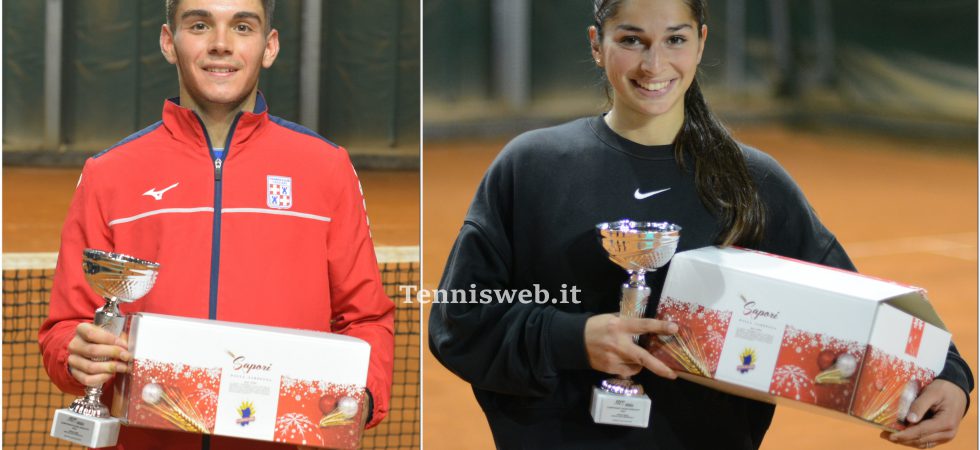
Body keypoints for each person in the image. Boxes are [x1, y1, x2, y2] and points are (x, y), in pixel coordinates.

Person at [427, 0, 973, 448]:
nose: (654, 64)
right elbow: (459, 325)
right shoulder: (531, 167)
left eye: (675, 39)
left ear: (702, 42)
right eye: (632, 39)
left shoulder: (753, 180)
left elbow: (855, 301)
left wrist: (949, 375)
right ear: (597, 44)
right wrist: (575, 338)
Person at [38, 0, 395, 449]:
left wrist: (363, 396)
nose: (221, 45)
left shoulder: (327, 168)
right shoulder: (109, 173)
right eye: (200, 24)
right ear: (170, 42)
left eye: (242, 26)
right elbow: (66, 325)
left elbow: (367, 317)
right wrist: (76, 356)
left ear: (269, 46)